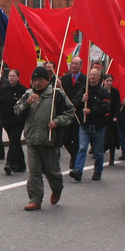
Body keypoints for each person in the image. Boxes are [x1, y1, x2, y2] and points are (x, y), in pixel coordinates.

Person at [14, 66, 75, 210]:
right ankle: (35, 199)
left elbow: (70, 111)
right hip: (32, 139)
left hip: (50, 140)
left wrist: (57, 121)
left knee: (51, 171)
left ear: (47, 81)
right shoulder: (28, 94)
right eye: (34, 80)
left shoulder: (56, 95)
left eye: (40, 80)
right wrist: (27, 103)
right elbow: (16, 110)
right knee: (34, 171)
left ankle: (57, 189)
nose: (36, 83)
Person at [71, 69, 111, 182]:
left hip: (97, 126)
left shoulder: (103, 92)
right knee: (82, 148)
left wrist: (91, 111)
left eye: (94, 75)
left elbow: (106, 107)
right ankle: (78, 170)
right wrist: (82, 100)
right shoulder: (84, 89)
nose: (92, 77)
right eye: (91, 75)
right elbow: (75, 102)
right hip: (84, 125)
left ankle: (98, 170)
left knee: (98, 151)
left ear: (99, 78)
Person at [0, 69, 28, 175]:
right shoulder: (4, 88)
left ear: (18, 77)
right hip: (6, 120)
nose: (11, 78)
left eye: (13, 76)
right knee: (15, 142)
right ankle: (21, 164)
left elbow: (25, 106)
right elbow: (0, 104)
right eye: (10, 76)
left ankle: (10, 163)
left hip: (18, 121)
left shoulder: (23, 90)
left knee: (14, 141)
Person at [60, 56, 85, 168]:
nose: (73, 65)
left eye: (76, 64)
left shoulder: (85, 80)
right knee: (65, 139)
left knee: (76, 139)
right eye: (72, 63)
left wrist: (77, 105)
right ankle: (74, 155)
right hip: (67, 113)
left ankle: (75, 159)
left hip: (78, 113)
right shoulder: (64, 79)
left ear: (81, 66)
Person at [101, 73, 122, 166]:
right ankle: (99, 153)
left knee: (112, 139)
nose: (109, 83)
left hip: (112, 118)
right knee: (103, 138)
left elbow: (117, 105)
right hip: (102, 117)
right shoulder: (100, 91)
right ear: (103, 81)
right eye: (107, 81)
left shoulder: (115, 92)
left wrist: (116, 115)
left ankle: (111, 157)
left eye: (110, 81)